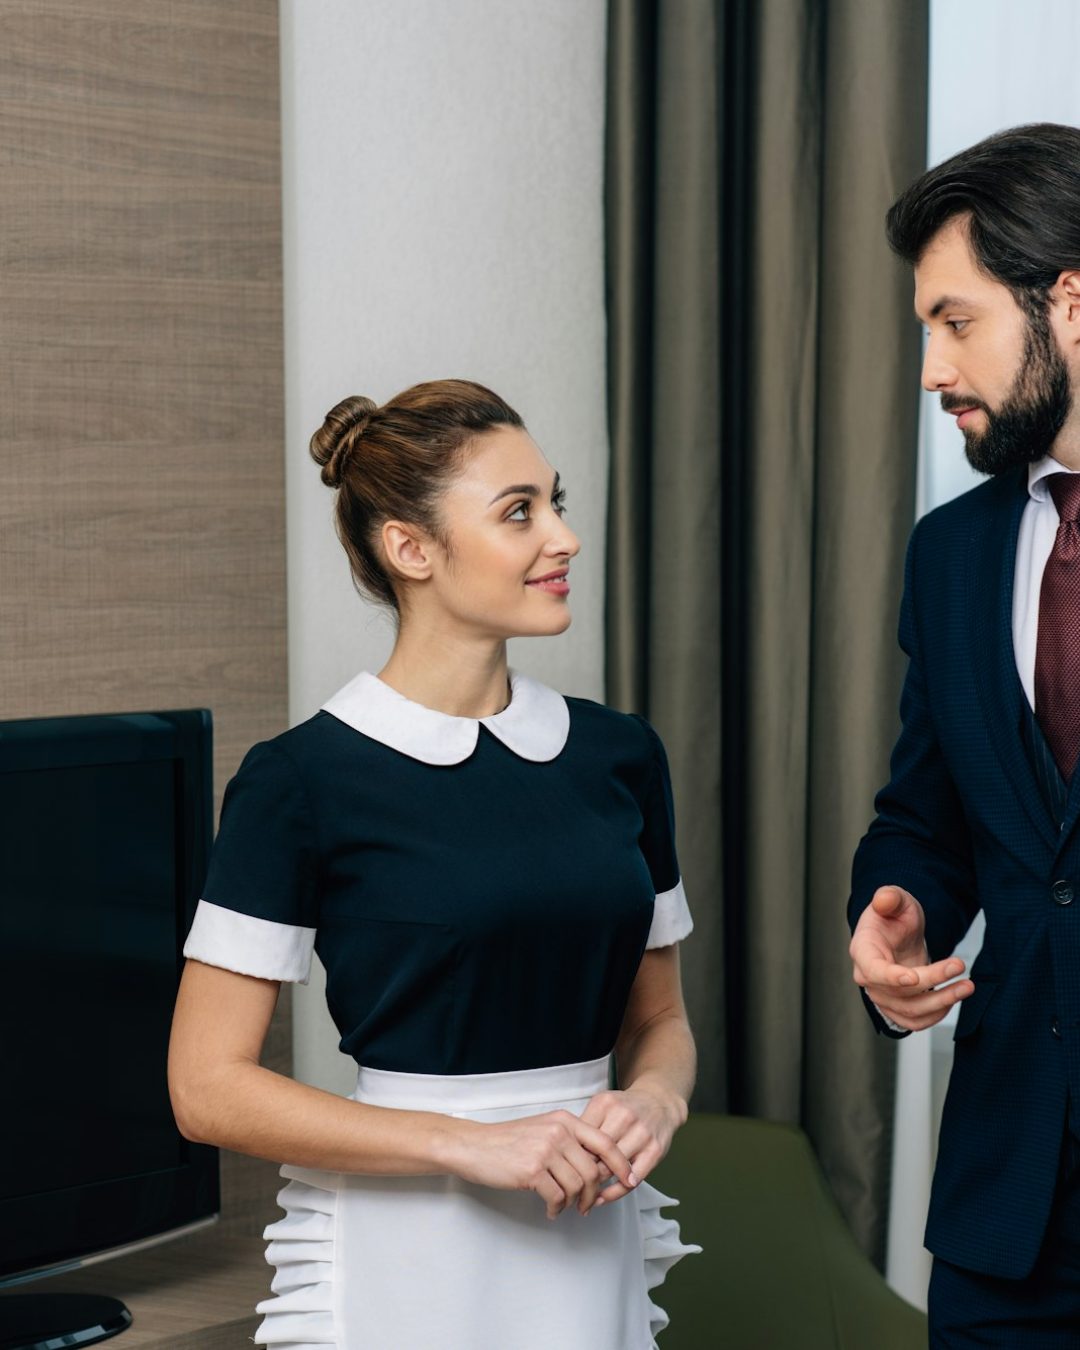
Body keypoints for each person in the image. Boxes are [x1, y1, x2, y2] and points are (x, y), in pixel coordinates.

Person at [167, 379, 699, 1349]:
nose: (565, 537)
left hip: (592, 1222)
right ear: (410, 548)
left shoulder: (621, 757)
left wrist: (655, 1100)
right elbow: (205, 1089)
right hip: (408, 1247)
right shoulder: (300, 783)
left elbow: (659, 1020)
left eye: (557, 501)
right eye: (519, 512)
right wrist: (469, 1145)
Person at [847, 123, 1080, 1346]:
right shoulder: (951, 553)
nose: (933, 368)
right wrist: (897, 903)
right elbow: (924, 816)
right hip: (1011, 1215)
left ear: (1070, 303)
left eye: (955, 321)